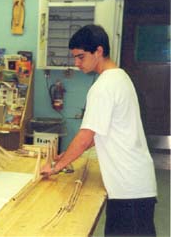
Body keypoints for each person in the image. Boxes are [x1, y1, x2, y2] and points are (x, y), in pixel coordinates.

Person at [41, 24, 157, 237]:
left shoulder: (104, 86)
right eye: (74, 57)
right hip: (135, 184)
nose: (76, 63)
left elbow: (85, 137)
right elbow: (101, 133)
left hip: (127, 189)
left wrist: (56, 166)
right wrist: (67, 156)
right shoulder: (121, 77)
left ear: (99, 51)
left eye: (81, 57)